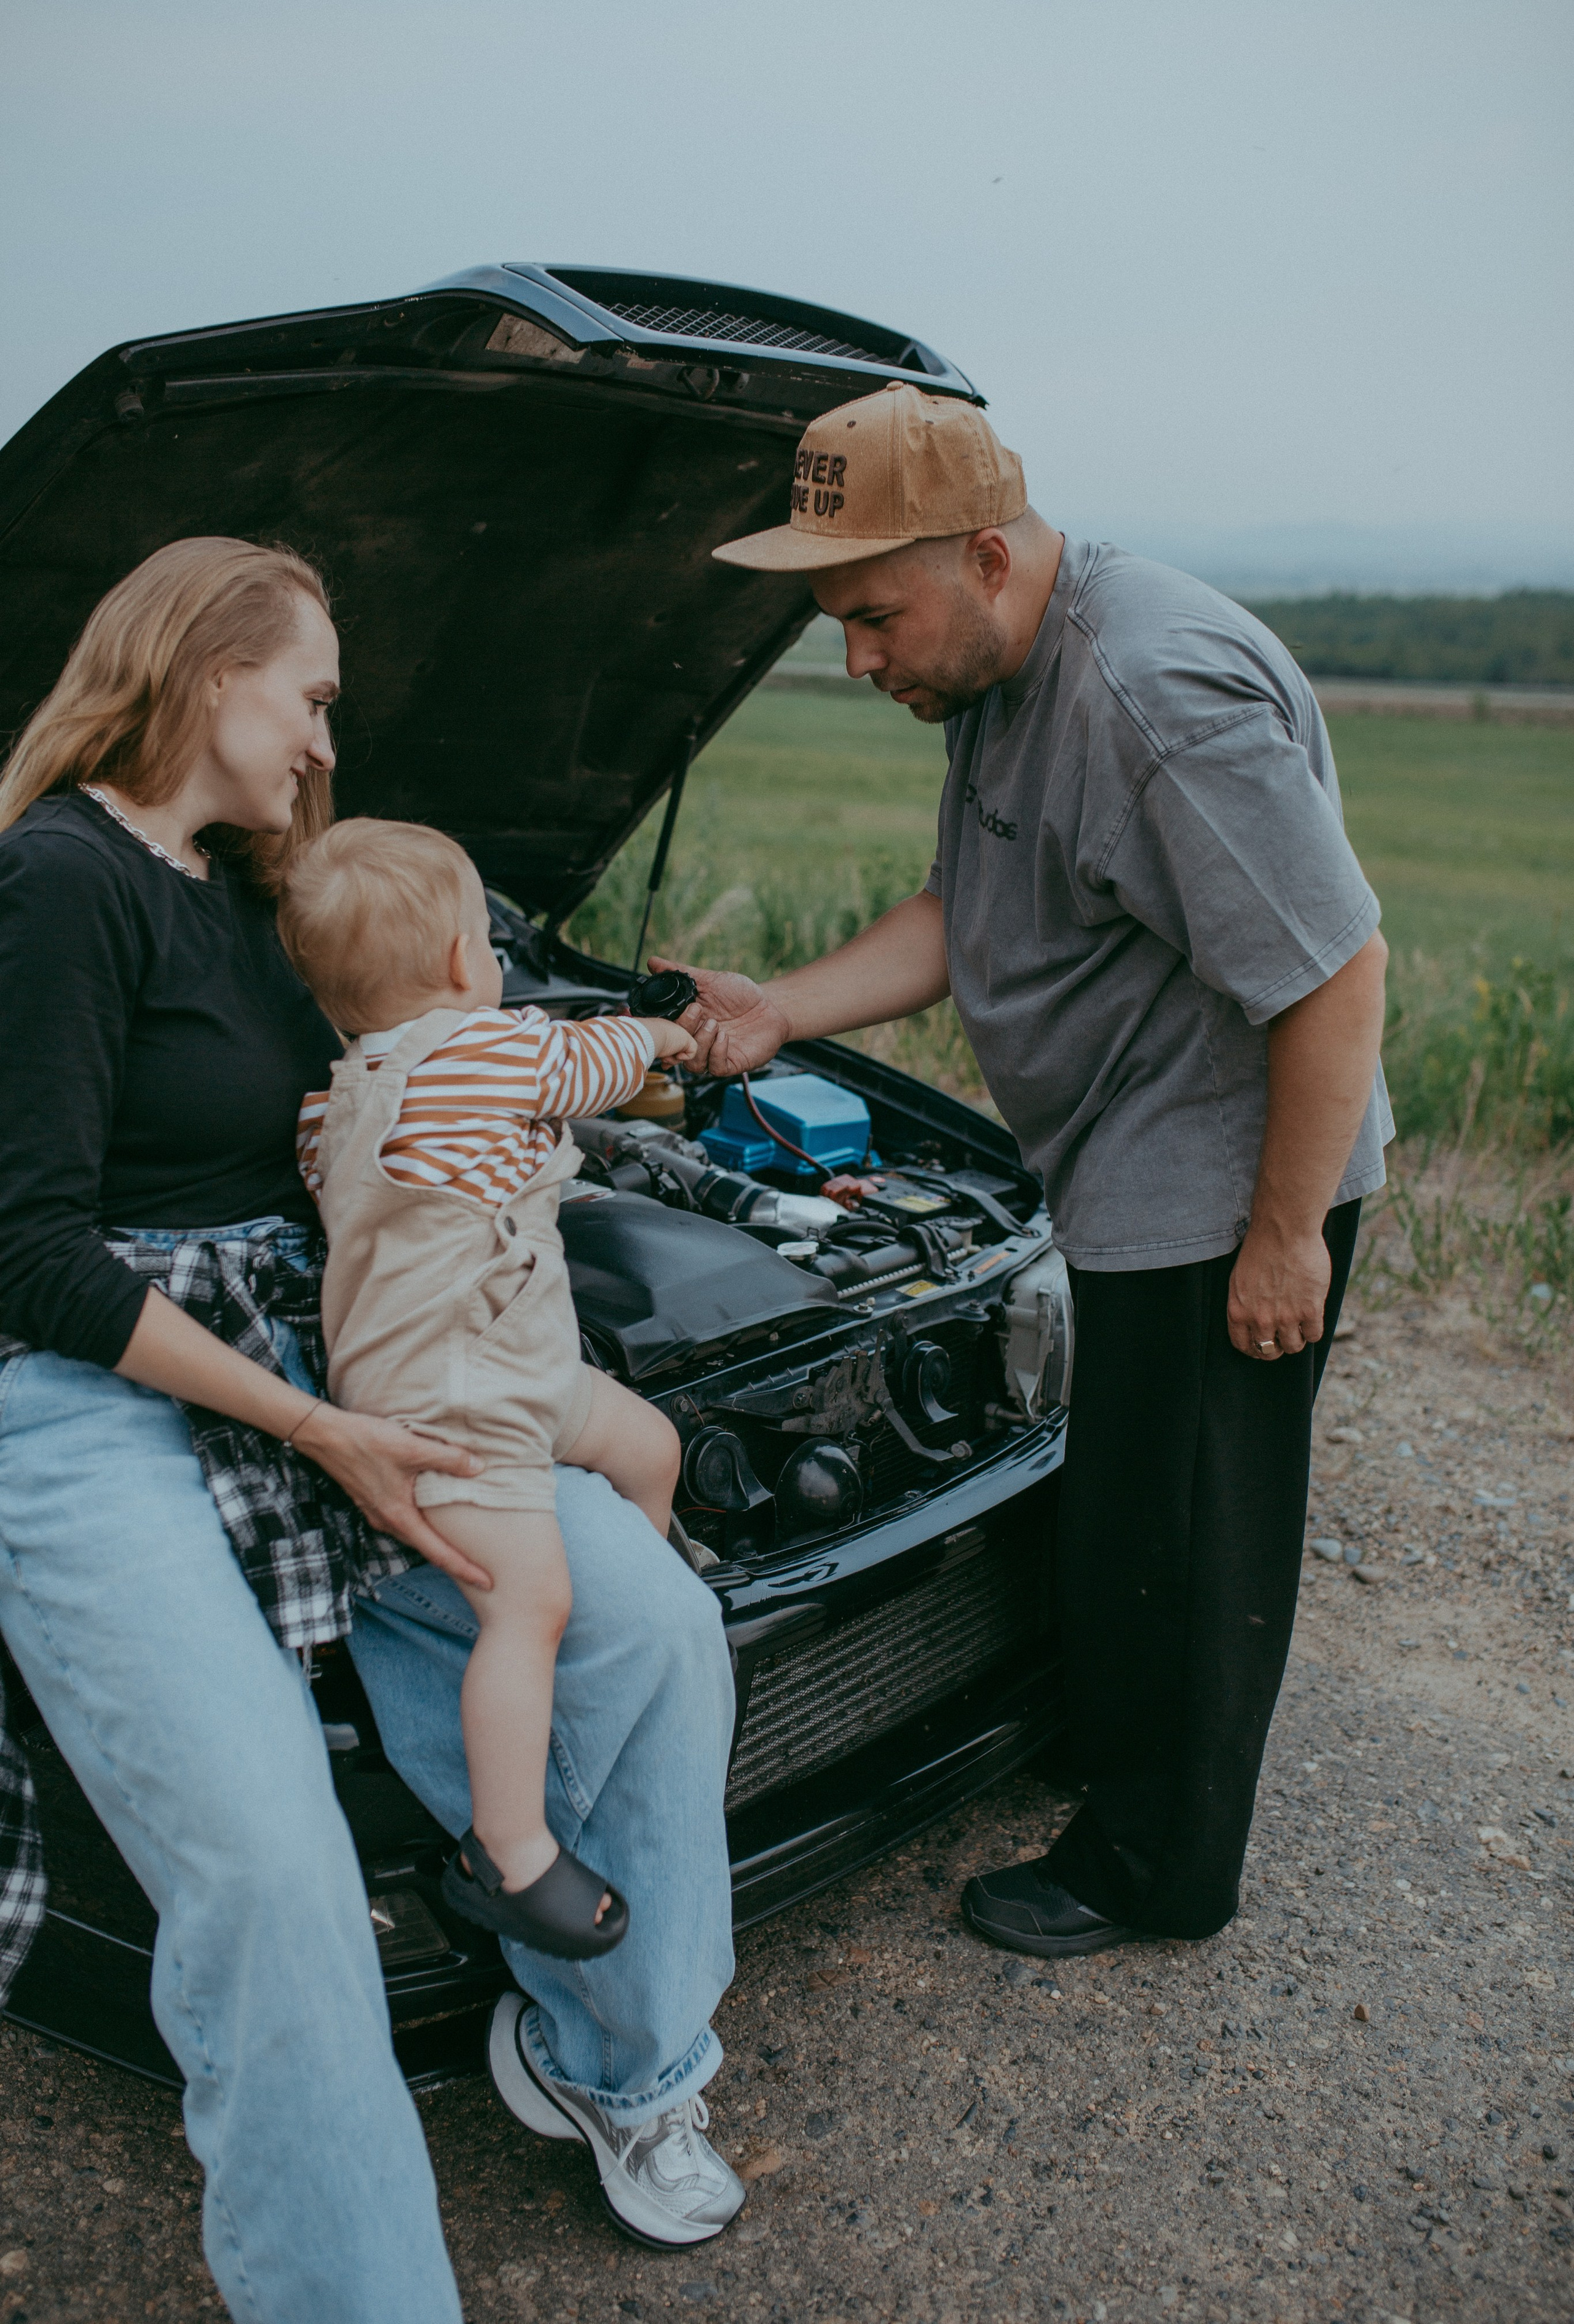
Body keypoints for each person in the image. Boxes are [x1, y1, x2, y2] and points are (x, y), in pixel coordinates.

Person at [0, 537, 742, 2324]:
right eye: (313, 697)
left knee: (656, 1628)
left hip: (321, 1362)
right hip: (99, 1400)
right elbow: (23, 1251)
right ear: (204, 671)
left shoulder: (272, 893)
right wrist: (320, 1432)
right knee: (272, 1873)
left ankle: (616, 2066)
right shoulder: (54, 879)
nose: (328, 739)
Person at [665, 381, 1391, 1959]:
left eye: (871, 618)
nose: (857, 664)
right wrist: (776, 1009)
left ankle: (1159, 1870)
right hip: (1133, 1166)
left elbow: (1336, 976)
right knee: (1122, 1498)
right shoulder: (994, 673)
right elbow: (961, 907)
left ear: (984, 556)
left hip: (1229, 1176)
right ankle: (1105, 1750)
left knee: (1195, 1533)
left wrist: (1281, 1240)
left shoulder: (1151, 696)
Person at [280, 816, 697, 1957]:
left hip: (501, 1364)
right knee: (527, 1605)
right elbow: (591, 1061)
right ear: (472, 964)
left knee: (646, 1443)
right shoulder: (491, 1049)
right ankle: (508, 1854)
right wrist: (666, 1031)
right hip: (459, 1400)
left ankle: (648, 1610)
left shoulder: (334, 1102)